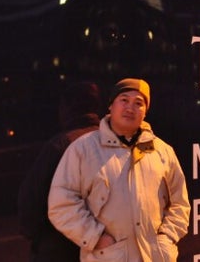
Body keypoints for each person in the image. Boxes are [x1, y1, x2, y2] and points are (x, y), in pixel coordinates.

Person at [47, 78, 190, 262]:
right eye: (124, 100)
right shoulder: (83, 149)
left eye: (138, 103)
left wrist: (166, 238)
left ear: (145, 112)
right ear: (110, 106)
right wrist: (95, 237)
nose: (130, 108)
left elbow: (180, 204)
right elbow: (61, 203)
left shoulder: (162, 151)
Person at [18, 81, 102, 262]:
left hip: (61, 249)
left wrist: (36, 236)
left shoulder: (59, 147)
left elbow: (31, 201)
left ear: (67, 108)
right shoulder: (117, 145)